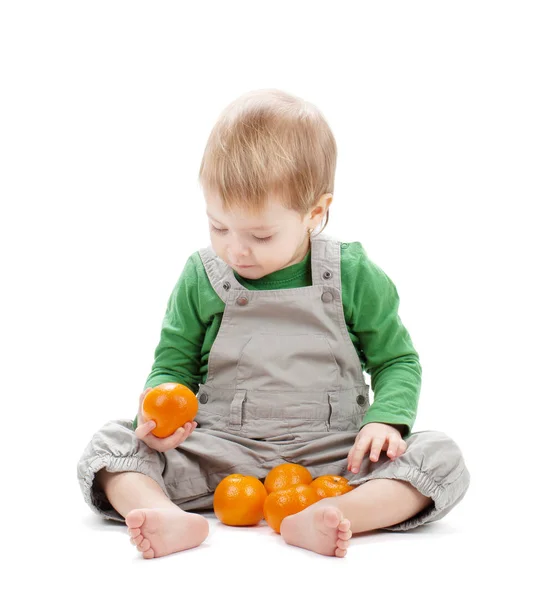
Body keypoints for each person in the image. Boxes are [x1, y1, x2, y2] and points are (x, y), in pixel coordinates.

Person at [77, 88, 470, 559]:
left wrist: (386, 421)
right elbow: (174, 365)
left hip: (334, 454)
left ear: (315, 212)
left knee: (440, 456)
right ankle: (164, 514)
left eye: (260, 235)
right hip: (222, 449)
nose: (235, 251)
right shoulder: (202, 276)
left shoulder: (352, 274)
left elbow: (398, 360)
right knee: (112, 442)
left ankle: (335, 516)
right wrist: (157, 415)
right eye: (218, 227)